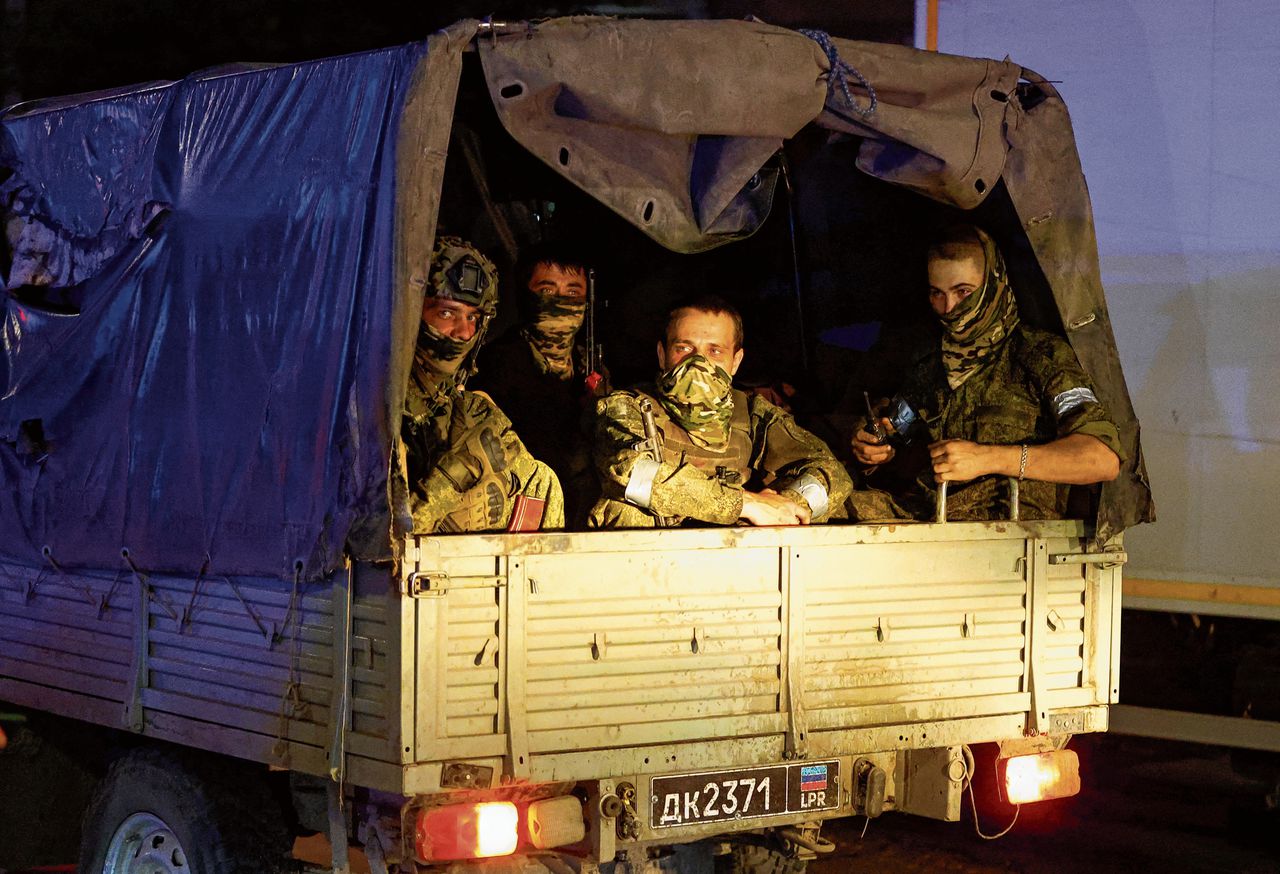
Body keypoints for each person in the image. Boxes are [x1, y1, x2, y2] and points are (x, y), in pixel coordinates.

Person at [849, 224, 1122, 521]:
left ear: (992, 285)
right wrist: (874, 447)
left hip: (1009, 534)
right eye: (937, 294)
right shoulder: (930, 365)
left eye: (963, 292)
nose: (949, 307)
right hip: (928, 520)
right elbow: (897, 427)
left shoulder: (1040, 356)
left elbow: (1100, 458)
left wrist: (988, 458)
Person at [589, 295, 852, 528]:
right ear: (662, 354)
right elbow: (629, 472)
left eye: (715, 351)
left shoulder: (753, 414)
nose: (699, 363)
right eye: (684, 349)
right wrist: (744, 505)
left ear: (735, 361)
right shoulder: (628, 407)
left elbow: (830, 471)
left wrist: (786, 504)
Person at [402, 236, 564, 533]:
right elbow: (384, 544)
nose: (464, 332)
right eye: (446, 313)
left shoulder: (473, 412)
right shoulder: (371, 411)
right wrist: (451, 479)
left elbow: (540, 488)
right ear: (411, 314)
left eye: (473, 317)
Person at [469, 243, 606, 526]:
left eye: (572, 293)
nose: (560, 301)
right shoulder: (497, 364)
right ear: (526, 296)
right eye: (547, 291)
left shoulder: (590, 366)